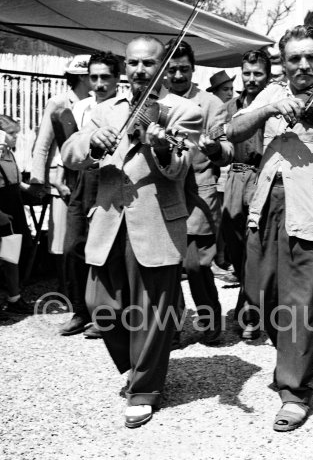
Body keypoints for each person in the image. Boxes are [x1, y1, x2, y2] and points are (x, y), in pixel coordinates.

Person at [226, 24, 313, 432]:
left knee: (301, 305)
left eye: (312, 58)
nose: (304, 66)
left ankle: (294, 390)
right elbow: (233, 132)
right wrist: (268, 109)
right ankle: (290, 360)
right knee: (261, 294)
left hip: (311, 207)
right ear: (282, 62)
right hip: (266, 204)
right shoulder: (270, 93)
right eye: (294, 58)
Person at [61, 35, 203, 429]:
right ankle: (134, 366)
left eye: (148, 63)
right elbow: (69, 153)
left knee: (153, 311)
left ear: (163, 67)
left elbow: (179, 167)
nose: (140, 70)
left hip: (156, 219)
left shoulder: (182, 111)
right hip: (109, 218)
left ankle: (145, 389)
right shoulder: (106, 110)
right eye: (133, 63)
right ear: (126, 67)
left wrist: (160, 147)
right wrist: (92, 140)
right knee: (100, 306)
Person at [163, 39, 233, 345]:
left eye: (185, 69)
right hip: (163, 193)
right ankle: (173, 323)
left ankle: (209, 316)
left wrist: (215, 147)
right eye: (172, 69)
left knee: (195, 264)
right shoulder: (157, 101)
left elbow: (225, 149)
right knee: (166, 264)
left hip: (198, 193)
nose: (178, 76)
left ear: (194, 69)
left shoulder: (211, 104)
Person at [59, 51, 121, 338]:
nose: (99, 83)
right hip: (82, 179)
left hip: (108, 178)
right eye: (93, 77)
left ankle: (104, 314)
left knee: (103, 247)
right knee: (73, 244)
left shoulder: (124, 108)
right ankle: (79, 310)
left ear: (117, 78)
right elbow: (69, 148)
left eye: (105, 77)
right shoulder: (79, 108)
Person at [28, 55, 91, 291]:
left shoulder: (98, 102)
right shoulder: (59, 101)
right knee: (63, 239)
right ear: (82, 76)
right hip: (61, 180)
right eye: (91, 75)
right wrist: (39, 180)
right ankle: (67, 288)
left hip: (88, 175)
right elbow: (43, 143)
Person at [220, 49, 270, 340]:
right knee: (234, 247)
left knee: (255, 247)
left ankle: (251, 312)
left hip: (260, 175)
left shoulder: (273, 104)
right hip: (234, 177)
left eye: (257, 74)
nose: (251, 79)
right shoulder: (231, 106)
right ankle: (246, 297)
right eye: (247, 73)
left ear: (267, 75)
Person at [0, 115, 34, 317]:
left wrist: (29, 189)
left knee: (11, 255)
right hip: (2, 208)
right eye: (11, 134)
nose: (15, 138)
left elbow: (14, 179)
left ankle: (14, 297)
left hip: (12, 204)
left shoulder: (9, 154)